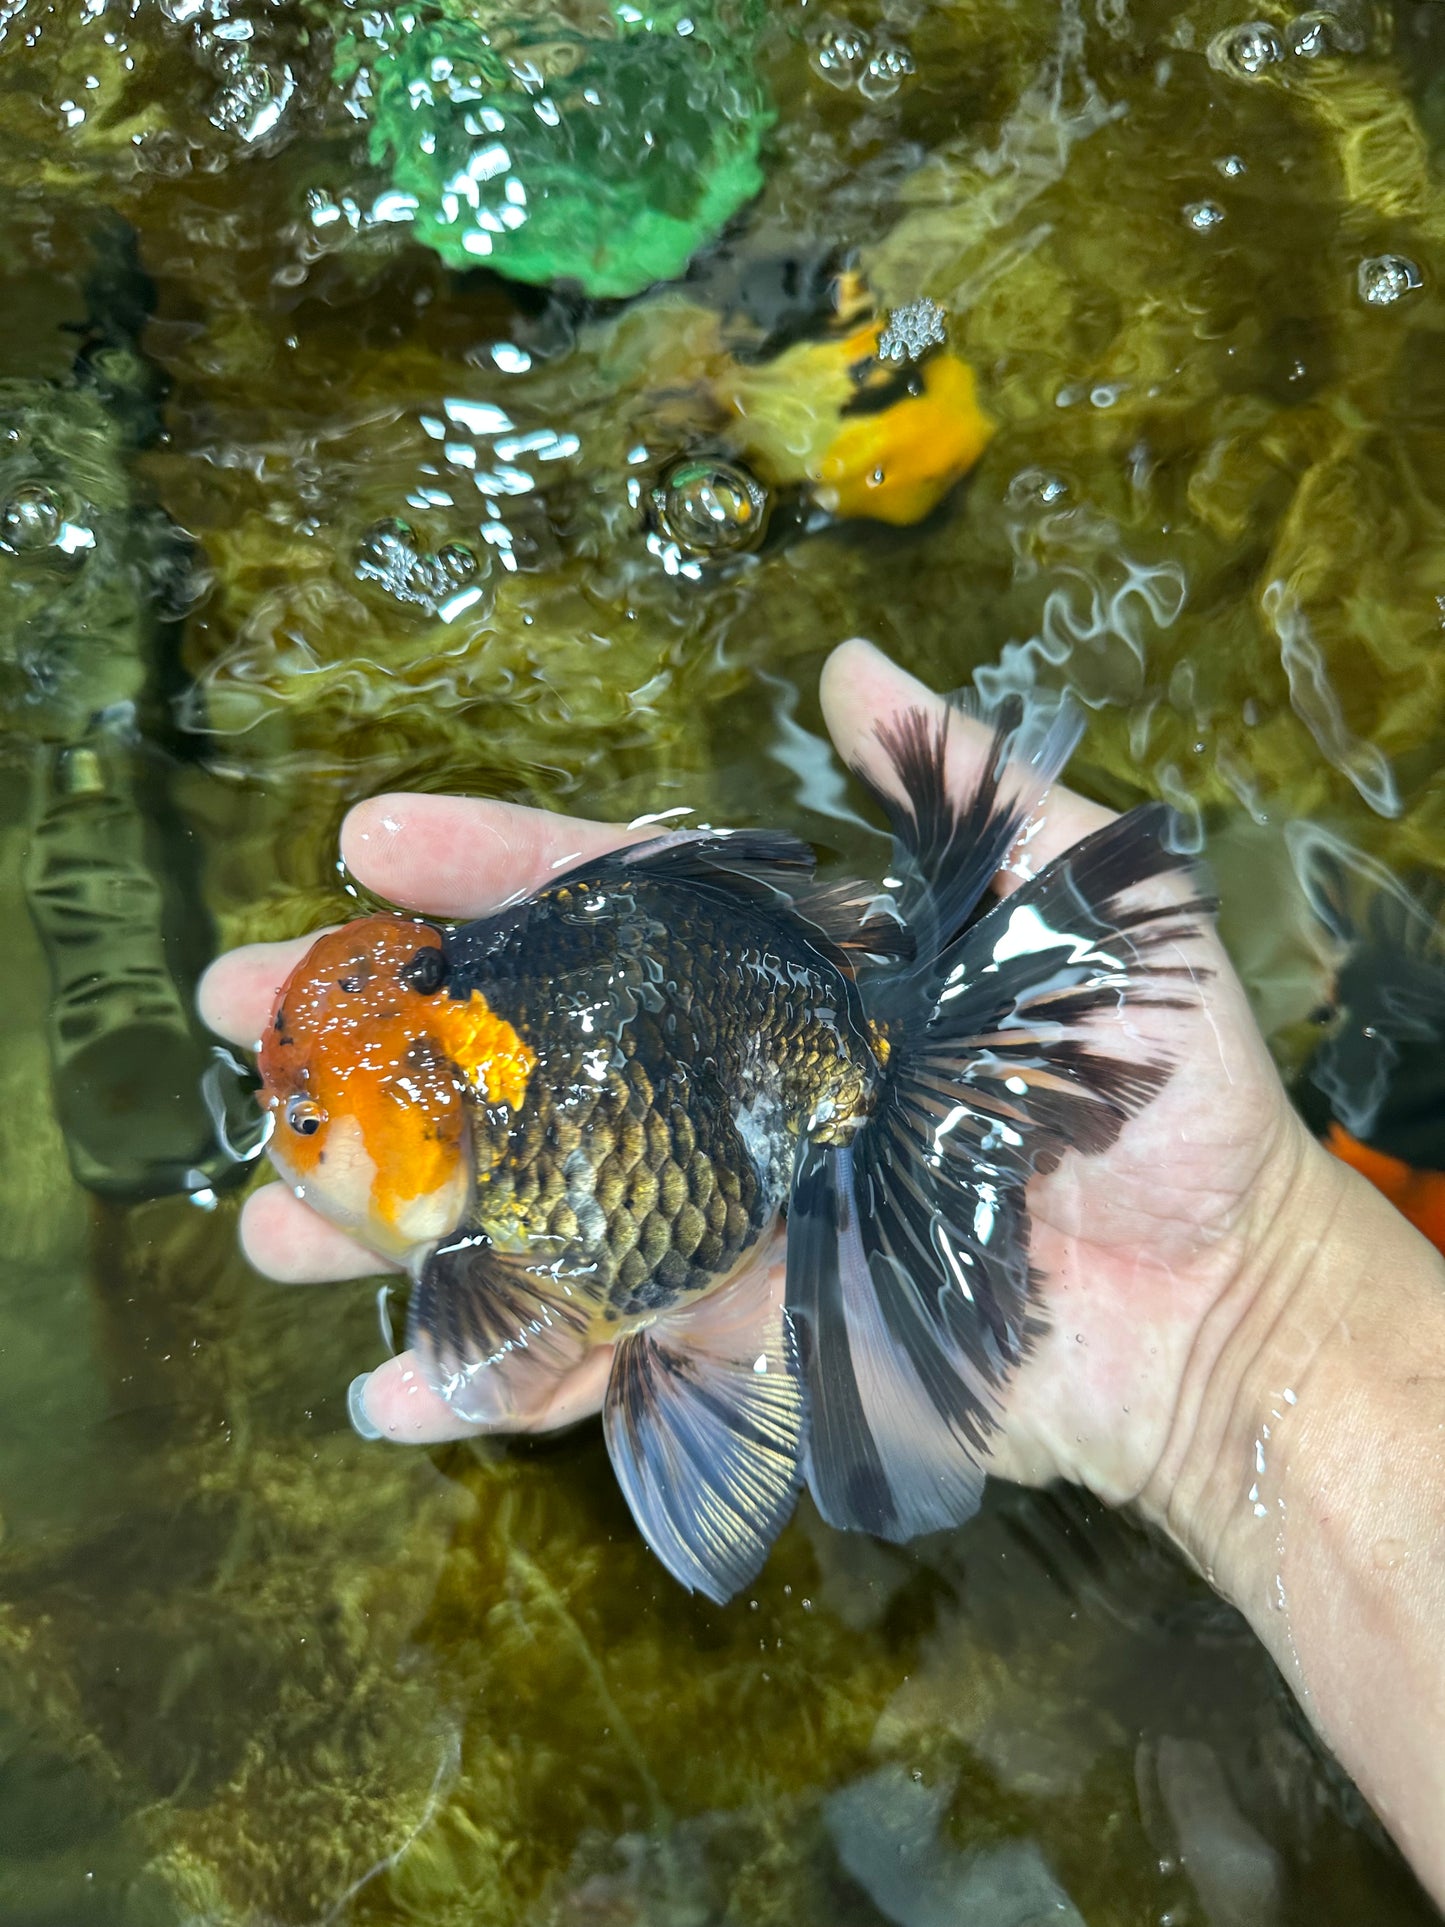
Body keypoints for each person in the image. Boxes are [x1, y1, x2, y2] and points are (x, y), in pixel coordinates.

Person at [200, 638, 1445, 1904]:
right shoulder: (480, 1102)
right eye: (301, 1116)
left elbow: (491, 1349)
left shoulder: (479, 1238)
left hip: (775, 1071)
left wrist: (1255, 1301)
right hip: (758, 1078)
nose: (289, 1137)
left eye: (305, 1123)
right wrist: (1261, 1323)